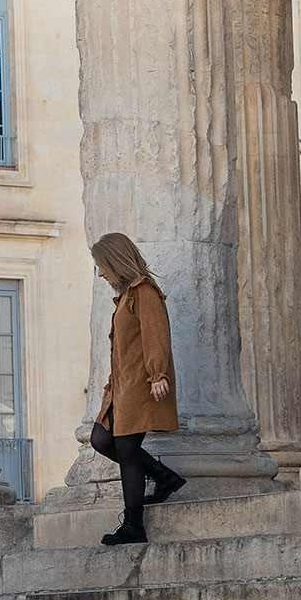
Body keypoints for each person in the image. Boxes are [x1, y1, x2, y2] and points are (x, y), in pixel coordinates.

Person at [89, 232, 186, 545]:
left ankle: (133, 526)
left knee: (127, 450)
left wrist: (158, 375)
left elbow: (156, 335)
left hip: (141, 385)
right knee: (101, 439)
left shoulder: (144, 291)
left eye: (102, 265)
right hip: (122, 387)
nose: (101, 272)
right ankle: (163, 476)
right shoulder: (126, 296)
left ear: (116, 261)